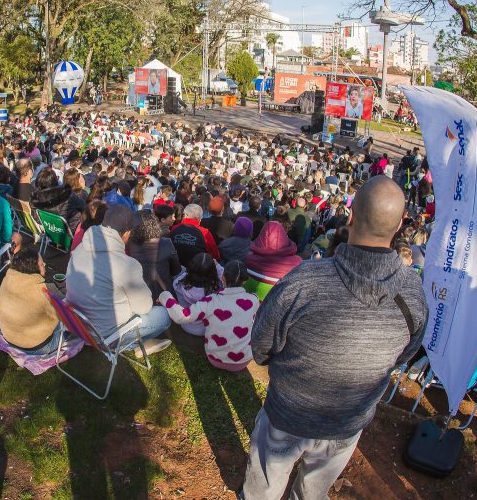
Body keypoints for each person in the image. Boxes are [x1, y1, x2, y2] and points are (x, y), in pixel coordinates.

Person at [243, 176, 427, 500]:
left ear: (351, 215)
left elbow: (261, 344)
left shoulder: (304, 281)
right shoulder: (413, 294)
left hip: (291, 412)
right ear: (400, 226)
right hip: (346, 420)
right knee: (311, 492)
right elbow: (403, 355)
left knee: (264, 489)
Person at [65, 205, 171, 355]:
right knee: (164, 315)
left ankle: (135, 343)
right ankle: (133, 345)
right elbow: (144, 307)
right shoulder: (127, 264)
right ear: (127, 233)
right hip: (106, 337)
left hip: (79, 325)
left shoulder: (80, 248)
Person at [161, 260, 257, 371]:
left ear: (222, 277)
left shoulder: (210, 301)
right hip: (243, 361)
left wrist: (165, 295)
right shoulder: (254, 300)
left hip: (215, 359)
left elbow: (181, 316)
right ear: (245, 281)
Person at [0, 247, 63, 355]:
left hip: (9, 338)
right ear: (33, 268)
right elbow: (62, 313)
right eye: (41, 264)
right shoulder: (44, 290)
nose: (44, 265)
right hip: (38, 347)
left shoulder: (8, 277)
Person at [166, 252, 225, 337]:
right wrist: (217, 265)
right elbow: (223, 276)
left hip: (186, 325)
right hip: (207, 328)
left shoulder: (177, 283)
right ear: (212, 272)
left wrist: (197, 269)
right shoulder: (217, 289)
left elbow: (186, 274)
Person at [242, 221, 303, 302]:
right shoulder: (297, 264)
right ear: (284, 238)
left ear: (261, 237)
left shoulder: (247, 260)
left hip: (249, 305)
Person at [126, 210, 180, 298]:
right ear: (155, 224)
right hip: (163, 294)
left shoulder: (128, 245)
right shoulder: (166, 243)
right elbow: (176, 270)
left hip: (139, 294)